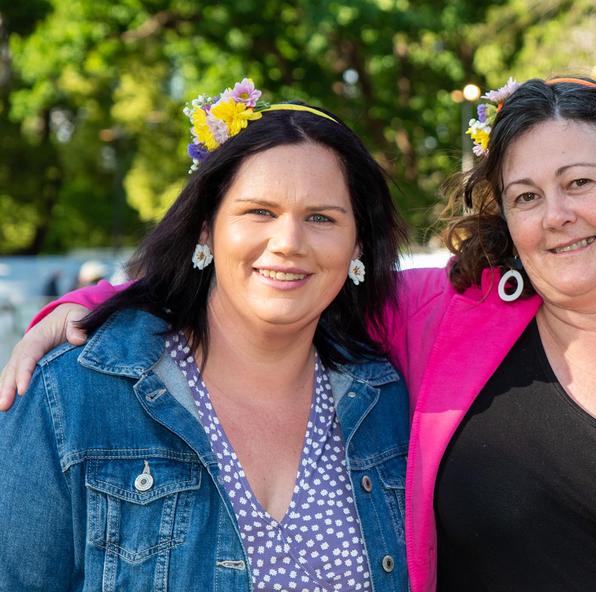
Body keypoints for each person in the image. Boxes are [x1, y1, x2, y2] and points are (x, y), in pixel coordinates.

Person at [4, 76, 596, 591]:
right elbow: (272, 280)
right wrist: (95, 305)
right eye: (526, 195)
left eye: (580, 183)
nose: (556, 216)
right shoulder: (445, 317)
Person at [0, 81, 412, 591]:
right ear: (205, 228)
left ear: (358, 248)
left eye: (321, 218)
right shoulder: (72, 397)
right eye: (259, 212)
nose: (288, 243)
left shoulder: (387, 405)